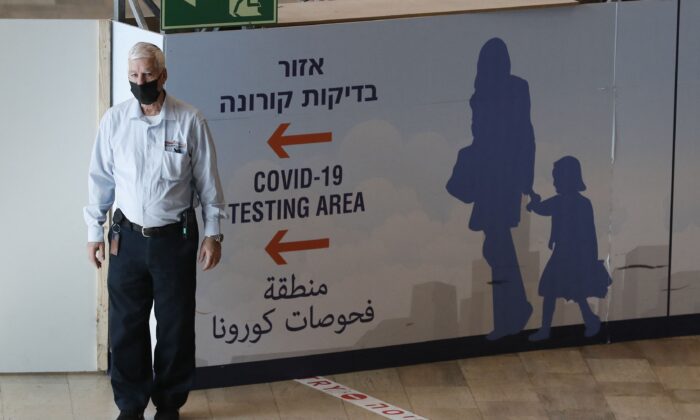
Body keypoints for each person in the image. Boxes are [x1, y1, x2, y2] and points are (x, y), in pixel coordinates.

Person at [84, 42, 227, 420]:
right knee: (127, 327)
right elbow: (100, 180)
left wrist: (213, 234)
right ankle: (129, 406)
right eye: (133, 76)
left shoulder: (190, 120)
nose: (140, 82)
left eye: (147, 74)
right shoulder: (114, 121)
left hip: (174, 242)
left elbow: (209, 186)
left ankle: (169, 405)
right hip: (126, 240)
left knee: (175, 326)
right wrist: (93, 232)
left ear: (163, 75)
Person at [446, 37, 535, 340]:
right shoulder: (490, 91)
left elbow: (523, 133)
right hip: (496, 174)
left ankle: (513, 314)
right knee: (497, 245)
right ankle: (515, 310)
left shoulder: (507, 89)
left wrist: (526, 179)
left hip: (500, 175)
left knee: (497, 246)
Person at [526, 156, 611, 341]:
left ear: (568, 178)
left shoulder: (579, 203)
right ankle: (583, 322)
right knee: (563, 291)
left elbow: (590, 234)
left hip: (574, 256)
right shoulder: (561, 201)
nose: (555, 182)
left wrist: (589, 260)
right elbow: (542, 208)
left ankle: (581, 322)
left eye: (557, 177)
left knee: (567, 290)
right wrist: (534, 201)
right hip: (563, 254)